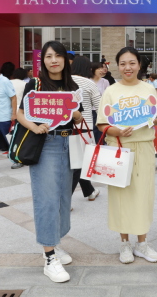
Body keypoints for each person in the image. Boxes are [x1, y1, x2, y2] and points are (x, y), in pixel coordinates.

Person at [16, 40, 83, 283]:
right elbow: (19, 113)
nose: (53, 60)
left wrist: (75, 113)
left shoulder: (72, 85)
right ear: (42, 60)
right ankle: (49, 257)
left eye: (58, 56)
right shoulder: (35, 84)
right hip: (46, 144)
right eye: (48, 56)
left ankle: (55, 242)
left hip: (68, 144)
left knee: (64, 198)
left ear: (65, 59)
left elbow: (78, 118)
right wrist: (35, 127)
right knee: (47, 199)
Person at [97, 46, 157, 264]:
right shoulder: (111, 91)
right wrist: (116, 131)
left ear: (139, 65)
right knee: (121, 197)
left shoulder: (148, 89)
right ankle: (124, 243)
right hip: (119, 149)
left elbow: (152, 116)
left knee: (143, 195)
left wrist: (156, 119)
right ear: (117, 66)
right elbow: (102, 124)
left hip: (144, 147)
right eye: (123, 63)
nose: (128, 67)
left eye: (132, 63)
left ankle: (142, 243)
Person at [70, 56, 101, 203]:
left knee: (79, 162)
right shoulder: (89, 83)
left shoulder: (65, 80)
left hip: (65, 127)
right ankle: (66, 199)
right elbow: (99, 106)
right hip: (84, 127)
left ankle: (90, 191)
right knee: (79, 163)